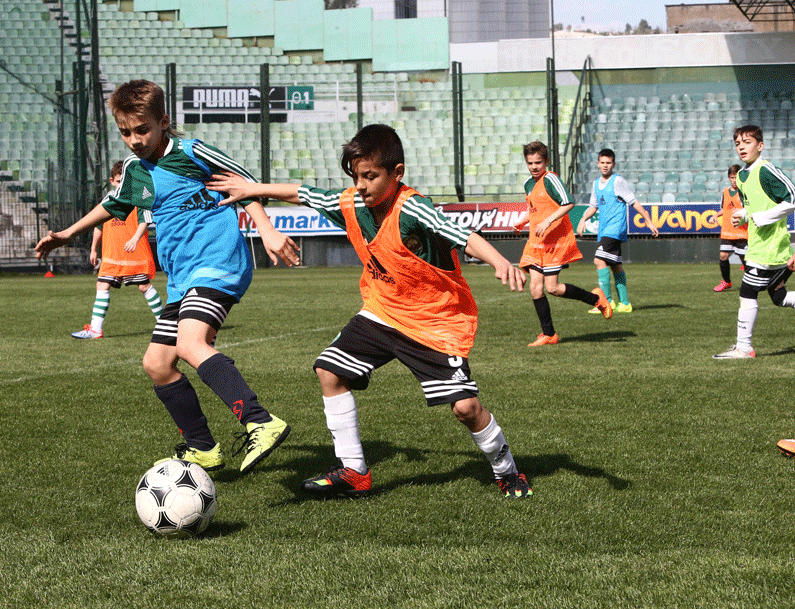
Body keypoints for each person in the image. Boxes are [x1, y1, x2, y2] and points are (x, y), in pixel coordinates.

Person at [207, 124, 533, 499]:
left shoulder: (412, 207)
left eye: (370, 176)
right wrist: (253, 190)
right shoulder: (352, 203)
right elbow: (304, 193)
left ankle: (507, 472)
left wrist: (498, 261)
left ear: (397, 173)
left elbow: (458, 232)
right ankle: (354, 472)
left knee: (465, 407)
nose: (361, 185)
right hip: (382, 310)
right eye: (356, 176)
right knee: (329, 370)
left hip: (434, 322)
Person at [36, 79, 300, 473]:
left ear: (164, 121)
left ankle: (259, 421)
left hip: (217, 261)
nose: (134, 140)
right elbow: (114, 203)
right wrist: (67, 234)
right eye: (125, 132)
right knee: (157, 363)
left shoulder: (191, 151)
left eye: (142, 130)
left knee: (190, 343)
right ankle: (202, 447)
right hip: (181, 276)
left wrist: (266, 228)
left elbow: (246, 185)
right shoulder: (135, 170)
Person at [512, 140, 612, 346]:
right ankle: (548, 334)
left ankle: (596, 299)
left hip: (555, 242)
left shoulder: (551, 179)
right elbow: (535, 210)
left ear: (546, 161)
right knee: (535, 288)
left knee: (553, 288)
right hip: (536, 242)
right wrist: (522, 221)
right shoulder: (528, 184)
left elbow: (568, 202)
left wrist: (548, 221)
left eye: (538, 162)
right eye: (530, 163)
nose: (534, 167)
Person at [713, 125, 795, 359]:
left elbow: (792, 199)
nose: (741, 147)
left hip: (770, 249)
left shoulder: (766, 170)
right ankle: (743, 347)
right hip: (760, 246)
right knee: (778, 297)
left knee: (747, 291)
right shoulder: (741, 176)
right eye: (738, 143)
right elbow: (757, 206)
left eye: (747, 142)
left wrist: (757, 217)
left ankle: (744, 347)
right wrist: (746, 215)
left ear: (760, 146)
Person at [71, 160, 164, 339]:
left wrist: (135, 239)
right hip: (112, 255)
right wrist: (93, 249)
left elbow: (145, 220)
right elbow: (98, 226)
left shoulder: (138, 197)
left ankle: (165, 323)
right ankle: (95, 329)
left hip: (133, 252)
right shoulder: (109, 201)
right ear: (112, 181)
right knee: (102, 284)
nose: (122, 185)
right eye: (119, 181)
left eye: (125, 181)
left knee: (144, 286)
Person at [575, 148, 659, 314]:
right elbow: (593, 206)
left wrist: (648, 221)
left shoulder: (618, 181)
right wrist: (582, 219)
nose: (605, 166)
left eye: (608, 163)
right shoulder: (596, 184)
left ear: (613, 164)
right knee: (616, 266)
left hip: (615, 228)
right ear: (598, 164)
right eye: (602, 163)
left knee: (599, 261)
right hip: (605, 229)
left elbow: (633, 202)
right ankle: (625, 303)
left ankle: (606, 302)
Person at [709, 164, 747, 292]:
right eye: (732, 177)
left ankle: (755, 281)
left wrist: (741, 210)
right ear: (728, 178)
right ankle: (726, 282)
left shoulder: (744, 192)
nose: (734, 180)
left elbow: (750, 208)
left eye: (736, 177)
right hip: (727, 231)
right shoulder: (725, 192)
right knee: (723, 256)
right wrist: (716, 215)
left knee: (744, 259)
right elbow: (725, 208)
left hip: (741, 231)